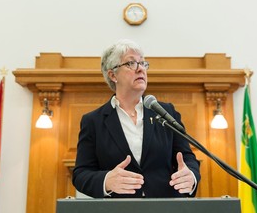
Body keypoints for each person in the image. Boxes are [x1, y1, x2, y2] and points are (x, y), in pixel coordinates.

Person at [72, 39, 201, 198]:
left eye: (143, 63)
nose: (140, 69)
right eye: (131, 63)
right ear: (113, 75)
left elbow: (187, 158)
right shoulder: (93, 121)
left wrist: (191, 177)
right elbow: (81, 174)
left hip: (165, 207)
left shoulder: (166, 112)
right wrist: (106, 181)